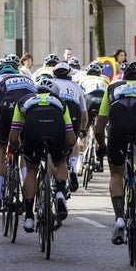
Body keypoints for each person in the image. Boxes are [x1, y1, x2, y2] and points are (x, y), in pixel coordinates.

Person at [94, 61, 136, 245]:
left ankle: (119, 217)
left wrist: (102, 146)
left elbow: (100, 126)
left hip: (119, 127)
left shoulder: (113, 88)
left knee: (117, 173)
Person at [9, 80, 76, 232]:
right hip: (56, 130)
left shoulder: (24, 101)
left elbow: (13, 138)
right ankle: (59, 192)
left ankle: (28, 218)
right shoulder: (61, 103)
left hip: (34, 132)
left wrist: (19, 148)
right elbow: (71, 139)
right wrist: (65, 151)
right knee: (60, 162)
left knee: (32, 169)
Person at [0, 55, 36, 212]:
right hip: (28, 108)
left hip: (7, 107)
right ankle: (28, 193)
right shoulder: (28, 80)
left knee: (1, 148)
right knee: (25, 151)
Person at [50, 62, 87, 192]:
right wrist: (82, 130)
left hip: (55, 109)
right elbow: (84, 114)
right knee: (73, 141)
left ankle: (49, 181)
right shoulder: (76, 87)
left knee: (53, 148)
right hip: (74, 110)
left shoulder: (49, 82)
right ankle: (73, 167)